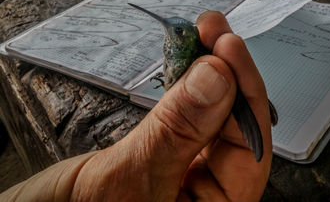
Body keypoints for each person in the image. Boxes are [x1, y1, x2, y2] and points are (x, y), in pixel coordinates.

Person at [0, 11, 272, 202]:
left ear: (184, 40)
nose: (168, 31)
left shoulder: (198, 56)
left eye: (175, 31)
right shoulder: (175, 49)